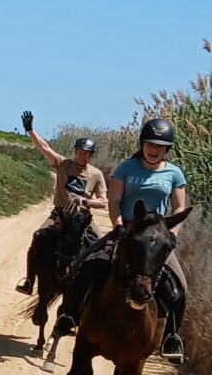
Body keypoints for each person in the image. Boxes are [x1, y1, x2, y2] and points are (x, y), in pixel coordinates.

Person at [55, 119, 188, 361]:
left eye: (160, 145)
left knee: (178, 286)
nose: (154, 149)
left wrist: (172, 235)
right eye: (150, 143)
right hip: (126, 231)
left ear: (167, 148)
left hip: (157, 238)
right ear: (142, 143)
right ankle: (69, 315)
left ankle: (171, 336)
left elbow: (179, 207)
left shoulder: (174, 173)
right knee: (84, 264)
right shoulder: (126, 168)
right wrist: (117, 226)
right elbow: (114, 200)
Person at [15, 111, 107, 295]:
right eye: (80, 152)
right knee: (38, 237)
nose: (82, 156)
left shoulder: (96, 174)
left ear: (91, 155)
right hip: (60, 215)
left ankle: (95, 289)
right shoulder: (63, 164)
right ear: (75, 152)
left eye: (86, 154)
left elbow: (104, 201)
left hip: (82, 218)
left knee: (100, 246)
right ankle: (29, 280)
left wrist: (85, 201)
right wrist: (30, 130)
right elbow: (45, 148)